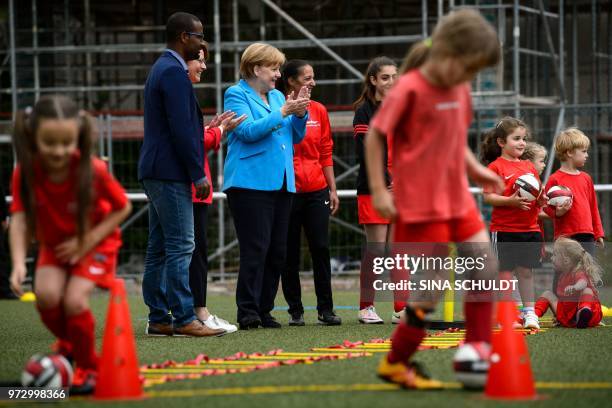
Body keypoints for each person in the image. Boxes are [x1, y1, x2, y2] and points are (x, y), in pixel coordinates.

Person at [365, 9, 503, 389]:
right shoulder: (409, 89)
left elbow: (454, 142)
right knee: (429, 289)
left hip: (457, 197)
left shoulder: (459, 89)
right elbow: (375, 137)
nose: (468, 79)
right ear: (446, 52)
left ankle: (477, 350)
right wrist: (379, 189)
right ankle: (396, 361)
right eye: (467, 68)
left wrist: (478, 171)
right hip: (421, 203)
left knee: (485, 265)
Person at [9, 95, 132, 394]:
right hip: (56, 245)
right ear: (32, 137)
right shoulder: (25, 172)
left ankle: (89, 366)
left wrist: (86, 240)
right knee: (47, 297)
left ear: (78, 137)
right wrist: (17, 263)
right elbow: (21, 218)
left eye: (67, 143)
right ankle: (70, 344)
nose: (59, 151)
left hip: (95, 243)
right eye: (49, 143)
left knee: (74, 301)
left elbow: (122, 207)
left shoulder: (93, 170)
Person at [138, 12, 224, 337]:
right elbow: (181, 131)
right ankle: (185, 317)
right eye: (199, 36)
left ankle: (160, 317)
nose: (202, 42)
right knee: (181, 245)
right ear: (184, 37)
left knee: (159, 247)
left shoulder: (163, 68)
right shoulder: (173, 72)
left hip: (157, 169)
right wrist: (196, 173)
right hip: (169, 171)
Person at [223, 42, 310, 330]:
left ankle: (265, 308)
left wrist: (299, 114)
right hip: (250, 182)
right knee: (255, 248)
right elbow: (246, 132)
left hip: (282, 181)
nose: (277, 74)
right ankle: (247, 311)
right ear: (256, 67)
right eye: (273, 68)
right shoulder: (236, 93)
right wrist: (283, 112)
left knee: (277, 251)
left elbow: (294, 137)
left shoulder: (275, 96)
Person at [186, 45, 245, 333]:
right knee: (193, 253)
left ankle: (188, 312)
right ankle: (197, 312)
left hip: (193, 187)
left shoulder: (181, 91)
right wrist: (220, 131)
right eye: (198, 61)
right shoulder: (179, 90)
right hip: (190, 188)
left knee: (190, 252)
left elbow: (194, 139)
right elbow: (191, 143)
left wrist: (212, 130)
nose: (204, 67)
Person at [278, 60, 341, 326]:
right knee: (289, 251)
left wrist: (333, 188)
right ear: (291, 81)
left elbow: (326, 151)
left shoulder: (319, 110)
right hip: (288, 190)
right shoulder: (277, 107)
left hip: (317, 189)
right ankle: (295, 310)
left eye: (313, 78)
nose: (312, 83)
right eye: (307, 78)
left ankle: (326, 309)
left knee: (321, 248)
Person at [481, 116, 547, 330]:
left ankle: (529, 313)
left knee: (526, 272)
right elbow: (488, 197)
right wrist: (510, 201)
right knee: (505, 275)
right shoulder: (495, 167)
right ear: (501, 142)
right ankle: (507, 314)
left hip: (530, 230)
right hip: (504, 231)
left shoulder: (529, 166)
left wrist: (542, 199)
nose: (522, 143)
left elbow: (537, 193)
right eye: (516, 138)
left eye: (523, 139)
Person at [352, 56, 403, 325]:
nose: (391, 82)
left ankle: (401, 308)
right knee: (376, 249)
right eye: (385, 77)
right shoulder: (364, 110)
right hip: (374, 188)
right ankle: (366, 307)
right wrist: (385, 179)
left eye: (395, 76)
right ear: (373, 80)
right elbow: (365, 150)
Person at [543, 128, 605, 254]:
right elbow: (545, 206)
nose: (587, 155)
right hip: (565, 237)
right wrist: (557, 212)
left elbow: (593, 207)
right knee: (564, 273)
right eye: (584, 151)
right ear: (570, 152)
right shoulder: (555, 179)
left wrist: (598, 233)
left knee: (587, 272)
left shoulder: (586, 178)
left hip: (587, 235)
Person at [535, 237, 603, 328]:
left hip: (588, 315)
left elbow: (583, 282)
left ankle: (584, 311)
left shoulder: (578, 272)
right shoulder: (562, 275)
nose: (551, 258)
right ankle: (533, 316)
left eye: (554, 255)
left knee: (587, 290)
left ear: (566, 260)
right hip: (567, 315)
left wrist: (575, 287)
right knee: (547, 294)